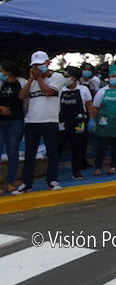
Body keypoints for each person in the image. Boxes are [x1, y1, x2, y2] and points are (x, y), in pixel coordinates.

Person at [13, 51, 67, 194]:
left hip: (50, 121)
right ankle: (27, 183)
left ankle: (52, 180)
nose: (38, 68)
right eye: (35, 65)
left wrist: (39, 78)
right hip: (31, 121)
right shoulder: (31, 81)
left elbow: (48, 92)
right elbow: (21, 96)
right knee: (29, 154)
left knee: (52, 153)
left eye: (40, 64)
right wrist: (31, 79)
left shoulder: (57, 77)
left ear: (48, 63)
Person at [58, 66, 93, 180]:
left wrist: (91, 119)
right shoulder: (60, 90)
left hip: (79, 122)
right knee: (58, 146)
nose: (66, 79)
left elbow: (89, 105)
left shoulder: (83, 89)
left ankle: (76, 171)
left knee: (77, 147)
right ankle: (52, 172)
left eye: (68, 76)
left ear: (75, 78)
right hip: (63, 121)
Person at [0, 60, 26, 194]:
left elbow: (25, 99)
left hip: (16, 121)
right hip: (1, 121)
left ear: (8, 72)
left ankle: (10, 182)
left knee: (13, 152)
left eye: (2, 71)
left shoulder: (21, 82)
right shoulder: (0, 83)